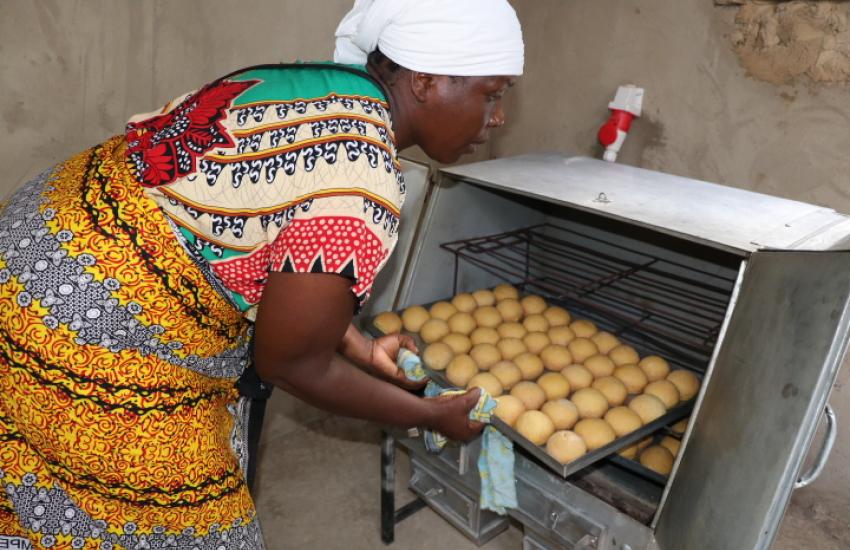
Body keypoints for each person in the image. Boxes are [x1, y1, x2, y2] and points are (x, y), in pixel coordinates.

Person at [0, 0, 523, 547]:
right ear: (426, 81)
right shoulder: (361, 185)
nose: (499, 116)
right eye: (491, 92)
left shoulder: (315, 85)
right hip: (80, 316)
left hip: (38, 238)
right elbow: (293, 364)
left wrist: (361, 350)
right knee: (188, 523)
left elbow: (268, 239)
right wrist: (431, 416)